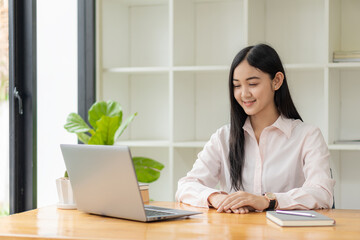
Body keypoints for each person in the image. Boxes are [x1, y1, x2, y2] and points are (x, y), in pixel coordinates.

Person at [175, 43, 335, 214]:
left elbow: (322, 193)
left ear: (277, 81)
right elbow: (186, 186)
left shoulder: (307, 136)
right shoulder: (223, 137)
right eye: (237, 85)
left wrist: (267, 201)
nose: (244, 94)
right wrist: (217, 198)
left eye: (252, 84)